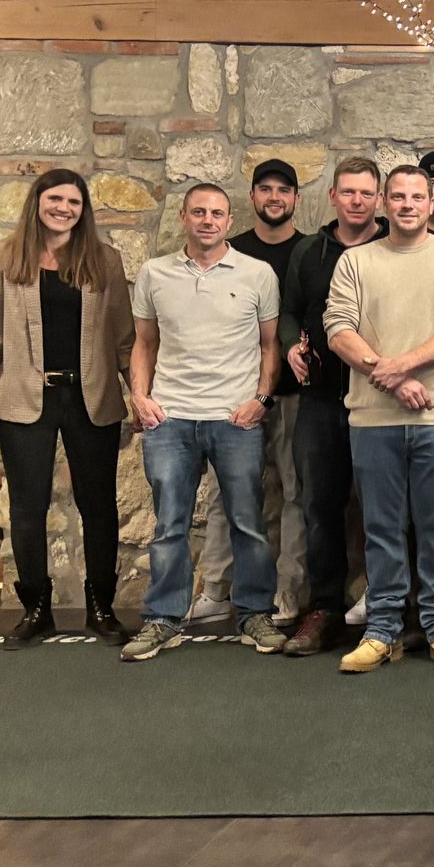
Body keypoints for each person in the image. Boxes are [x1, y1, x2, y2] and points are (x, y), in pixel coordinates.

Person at [324, 163, 434, 674]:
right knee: (381, 528)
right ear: (384, 203)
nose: (409, 205)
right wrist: (390, 377)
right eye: (398, 196)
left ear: (432, 202)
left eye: (418, 196)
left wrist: (401, 365)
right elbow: (337, 329)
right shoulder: (355, 261)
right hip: (373, 418)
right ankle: (382, 630)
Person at [0, 170, 134, 649]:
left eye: (74, 202)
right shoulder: (5, 257)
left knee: (98, 506)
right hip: (22, 399)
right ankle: (36, 611)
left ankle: (101, 608)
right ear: (37, 202)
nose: (64, 208)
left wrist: (141, 396)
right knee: (27, 507)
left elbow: (124, 341)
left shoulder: (105, 260)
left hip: (91, 399)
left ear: (84, 210)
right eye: (55, 199)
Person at [121, 183, 283, 662]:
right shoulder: (155, 273)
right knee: (169, 525)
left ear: (229, 221)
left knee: (247, 522)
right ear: (184, 218)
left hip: (235, 418)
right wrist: (140, 398)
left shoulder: (258, 273)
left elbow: (269, 345)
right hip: (171, 418)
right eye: (198, 212)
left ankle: (254, 613)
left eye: (216, 213)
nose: (207, 220)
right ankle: (164, 619)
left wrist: (261, 400)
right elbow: (144, 342)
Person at [277, 156, 386, 656]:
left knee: (383, 508)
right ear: (333, 197)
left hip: (382, 398)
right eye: (349, 192)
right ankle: (324, 608)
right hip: (321, 399)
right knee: (319, 505)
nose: (357, 201)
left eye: (366, 193)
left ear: (378, 199)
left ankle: (387, 606)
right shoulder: (309, 251)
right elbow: (289, 312)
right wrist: (289, 347)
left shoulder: (396, 246)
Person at [189, 159, 306, 626]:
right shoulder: (228, 252)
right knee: (228, 493)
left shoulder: (308, 251)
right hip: (235, 396)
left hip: (294, 395)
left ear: (296, 198)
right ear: (253, 196)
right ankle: (216, 589)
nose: (275, 197)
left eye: (284, 189)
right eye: (266, 189)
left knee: (295, 493)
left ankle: (287, 591)